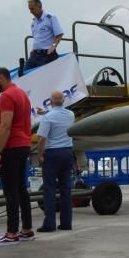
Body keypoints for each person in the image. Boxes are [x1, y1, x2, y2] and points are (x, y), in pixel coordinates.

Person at [0, 67, 35, 247]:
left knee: (11, 191)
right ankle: (27, 229)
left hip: (11, 147)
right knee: (21, 189)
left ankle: (12, 233)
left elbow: (5, 126)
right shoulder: (22, 93)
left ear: (1, 77)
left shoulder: (7, 96)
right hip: (23, 144)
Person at [36, 90, 75, 232]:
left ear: (50, 102)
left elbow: (41, 139)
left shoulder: (47, 118)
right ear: (63, 101)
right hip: (67, 152)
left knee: (50, 190)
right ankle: (66, 223)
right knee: (66, 190)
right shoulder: (71, 115)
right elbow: (58, 116)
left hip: (52, 154)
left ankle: (49, 224)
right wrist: (45, 113)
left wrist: (40, 155)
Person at [24, 0, 64, 71]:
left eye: (32, 9)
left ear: (39, 6)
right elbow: (37, 38)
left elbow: (59, 34)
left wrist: (53, 46)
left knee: (41, 75)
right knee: (24, 74)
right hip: (34, 54)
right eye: (29, 9)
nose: (31, 11)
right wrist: (33, 49)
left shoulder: (50, 17)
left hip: (46, 54)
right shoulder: (34, 21)